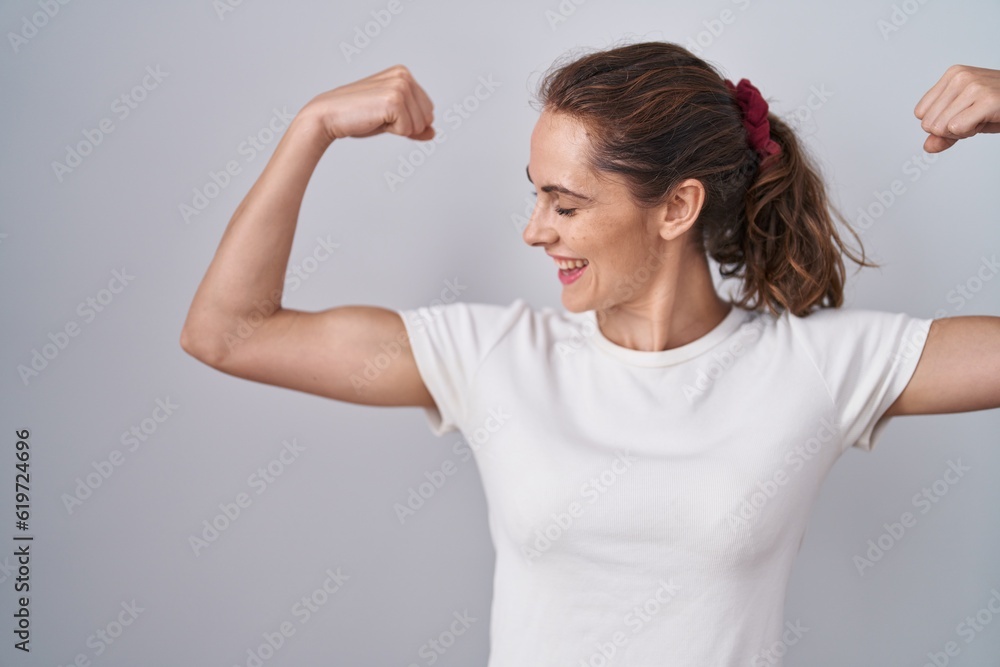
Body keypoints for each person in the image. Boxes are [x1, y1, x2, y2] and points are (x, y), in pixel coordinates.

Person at [179, 42, 1000, 666]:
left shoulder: (814, 365)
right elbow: (229, 331)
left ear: (676, 208)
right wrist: (312, 127)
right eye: (535, 195)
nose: (534, 230)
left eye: (564, 204)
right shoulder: (494, 356)